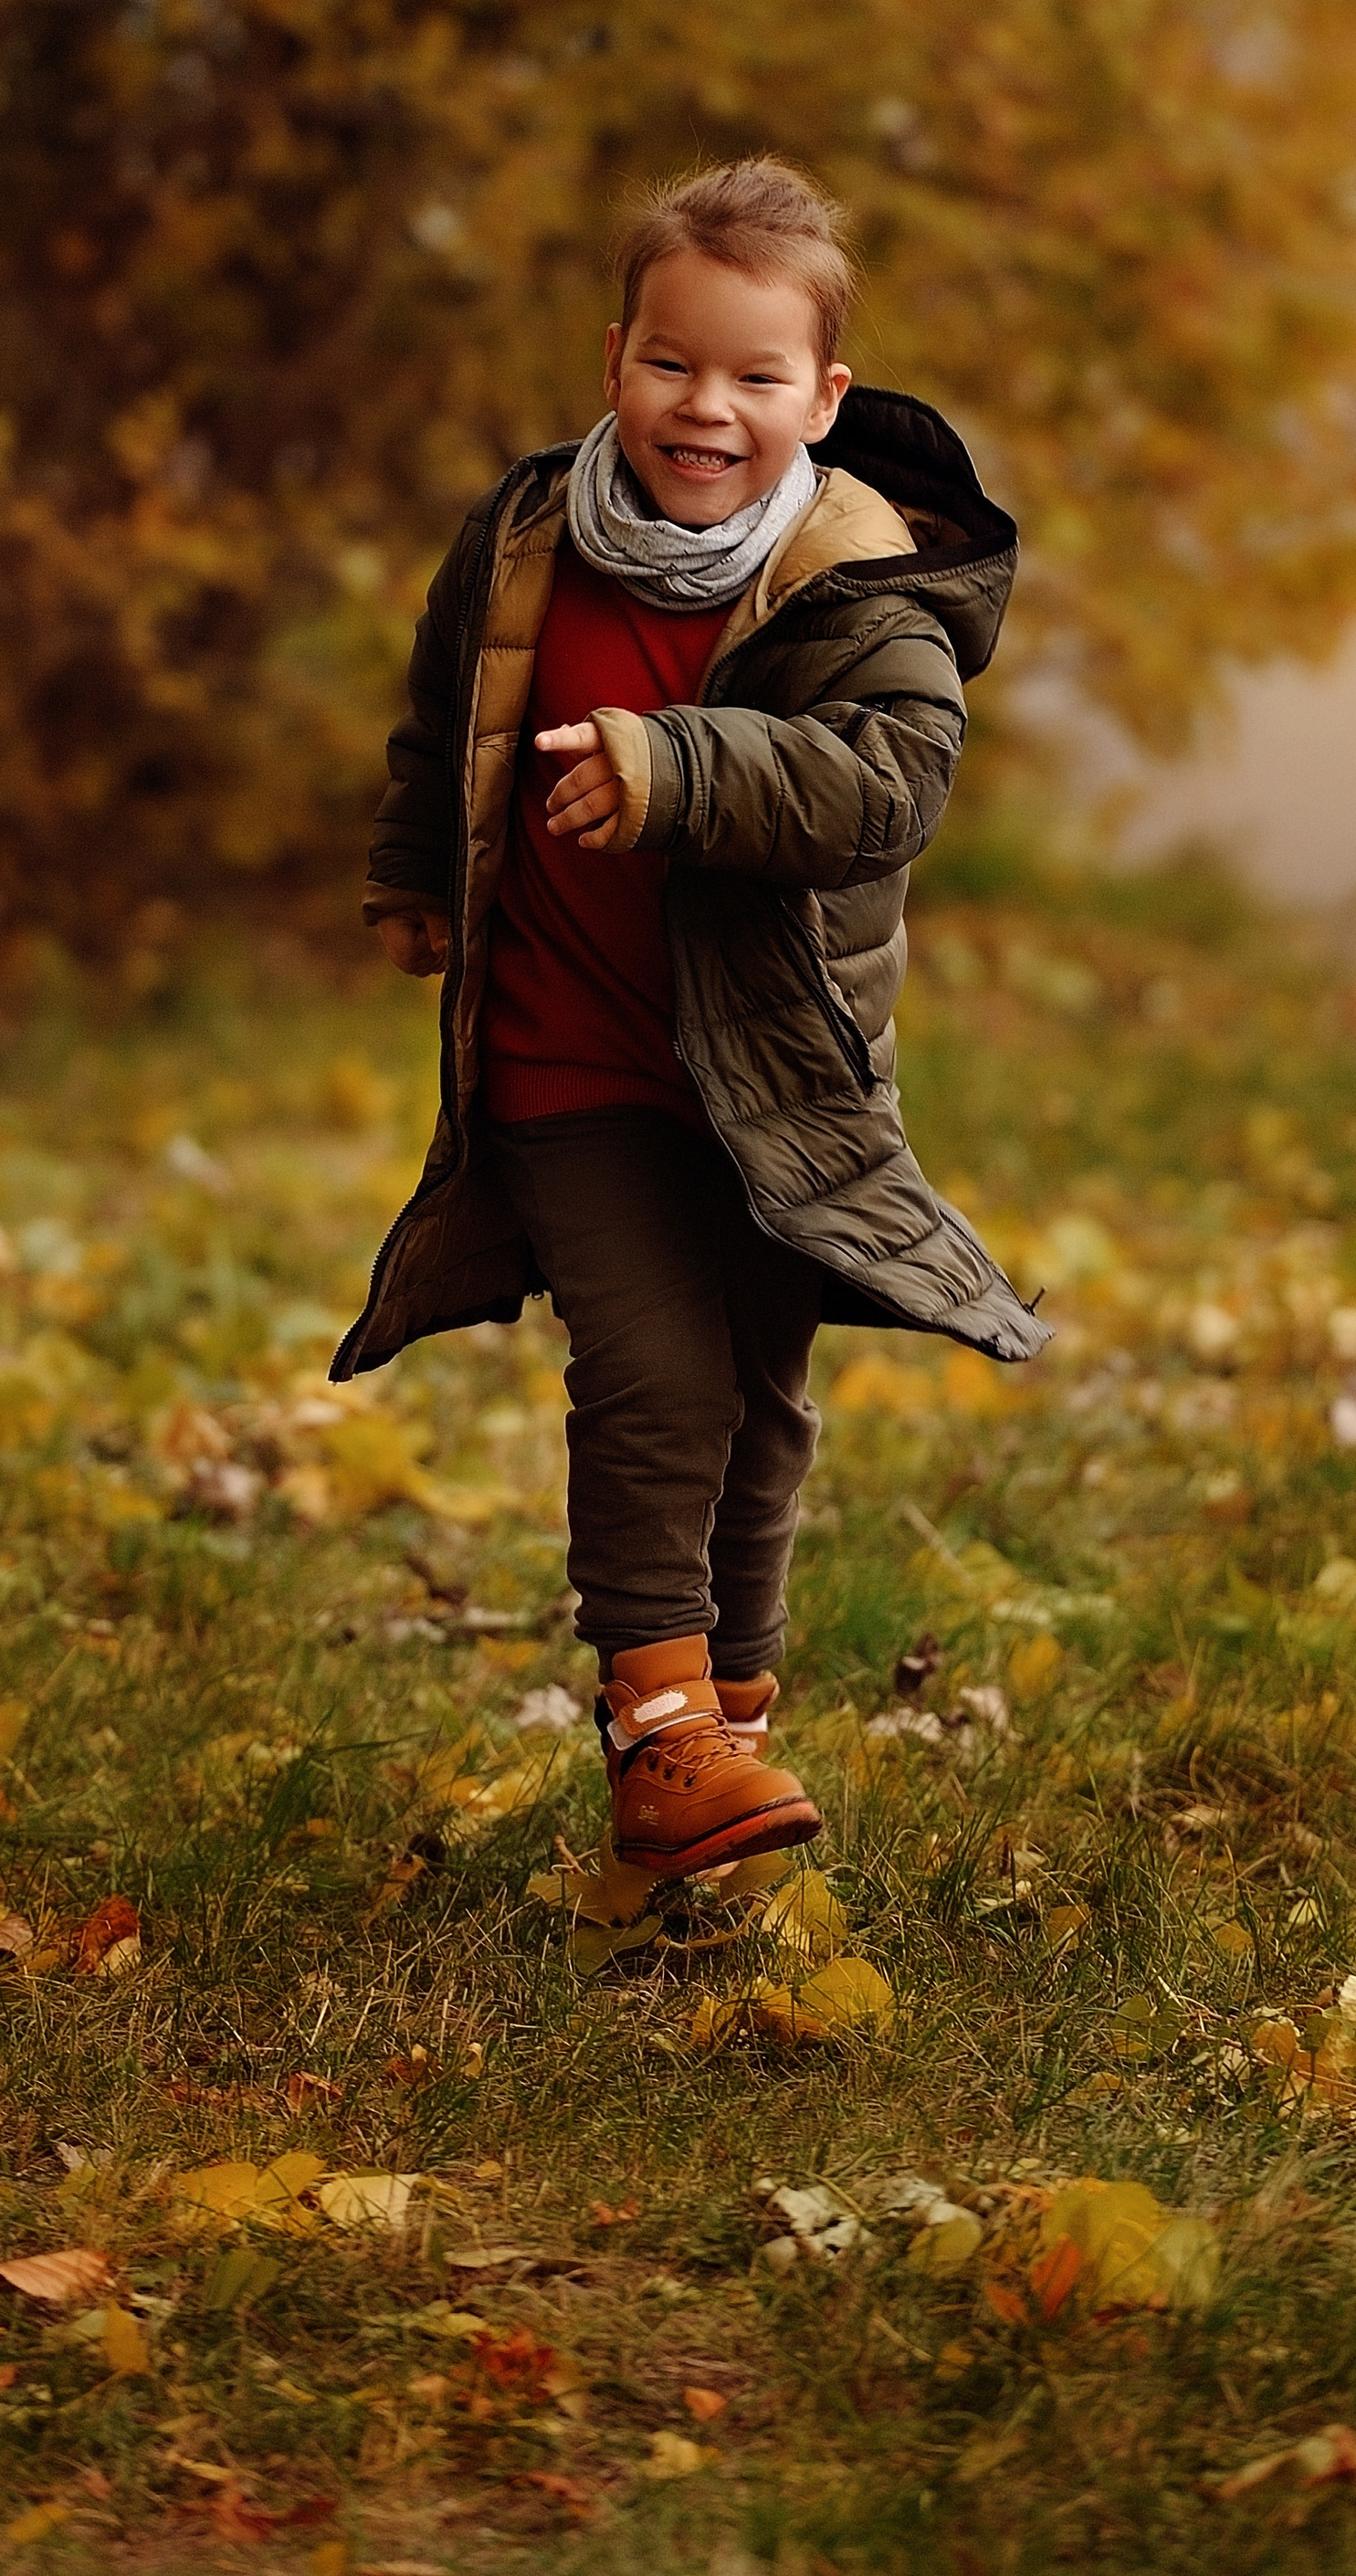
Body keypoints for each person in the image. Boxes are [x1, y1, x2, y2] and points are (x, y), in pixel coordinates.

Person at [332, 156, 1046, 1877]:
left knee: (759, 1400)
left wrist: (678, 766)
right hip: (565, 1058)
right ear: (613, 359)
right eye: (672, 363)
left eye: (752, 375)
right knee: (652, 1378)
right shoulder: (521, 539)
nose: (704, 405)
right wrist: (419, 865)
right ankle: (657, 1730)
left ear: (825, 396)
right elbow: (453, 718)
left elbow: (886, 789)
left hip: (772, 1082)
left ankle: (727, 1735)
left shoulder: (859, 582)